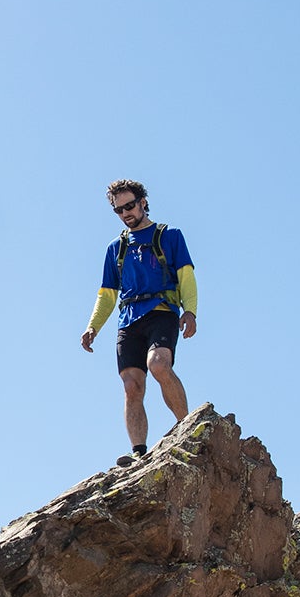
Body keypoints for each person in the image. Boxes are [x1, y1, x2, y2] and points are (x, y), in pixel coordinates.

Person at [80, 179, 197, 466]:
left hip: (161, 310)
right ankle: (139, 452)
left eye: (130, 206)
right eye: (119, 210)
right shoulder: (115, 249)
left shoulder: (169, 236)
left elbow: (186, 276)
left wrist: (190, 311)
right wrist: (92, 326)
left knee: (158, 364)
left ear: (143, 202)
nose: (126, 213)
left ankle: (188, 429)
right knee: (132, 386)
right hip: (128, 319)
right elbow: (107, 294)